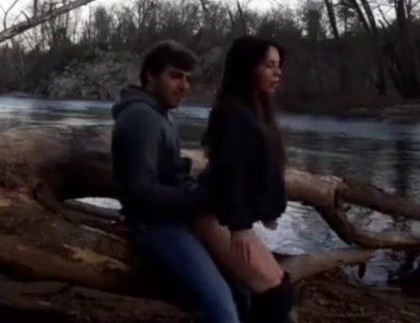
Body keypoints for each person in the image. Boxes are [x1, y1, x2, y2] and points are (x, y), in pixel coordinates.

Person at [111, 40, 247, 323]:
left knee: (243, 287)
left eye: (187, 78)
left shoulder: (158, 114)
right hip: (156, 227)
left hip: (176, 219)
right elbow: (139, 192)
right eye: (175, 76)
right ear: (150, 75)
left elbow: (169, 175)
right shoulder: (141, 117)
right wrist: (200, 200)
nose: (184, 86)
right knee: (221, 304)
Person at [194, 36, 296, 322]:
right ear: (248, 68)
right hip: (214, 215)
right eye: (269, 65)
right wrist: (240, 228)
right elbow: (230, 172)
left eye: (278, 66)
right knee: (274, 293)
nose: (277, 73)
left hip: (230, 217)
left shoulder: (257, 110)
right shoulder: (231, 112)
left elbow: (263, 168)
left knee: (277, 290)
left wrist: (268, 209)